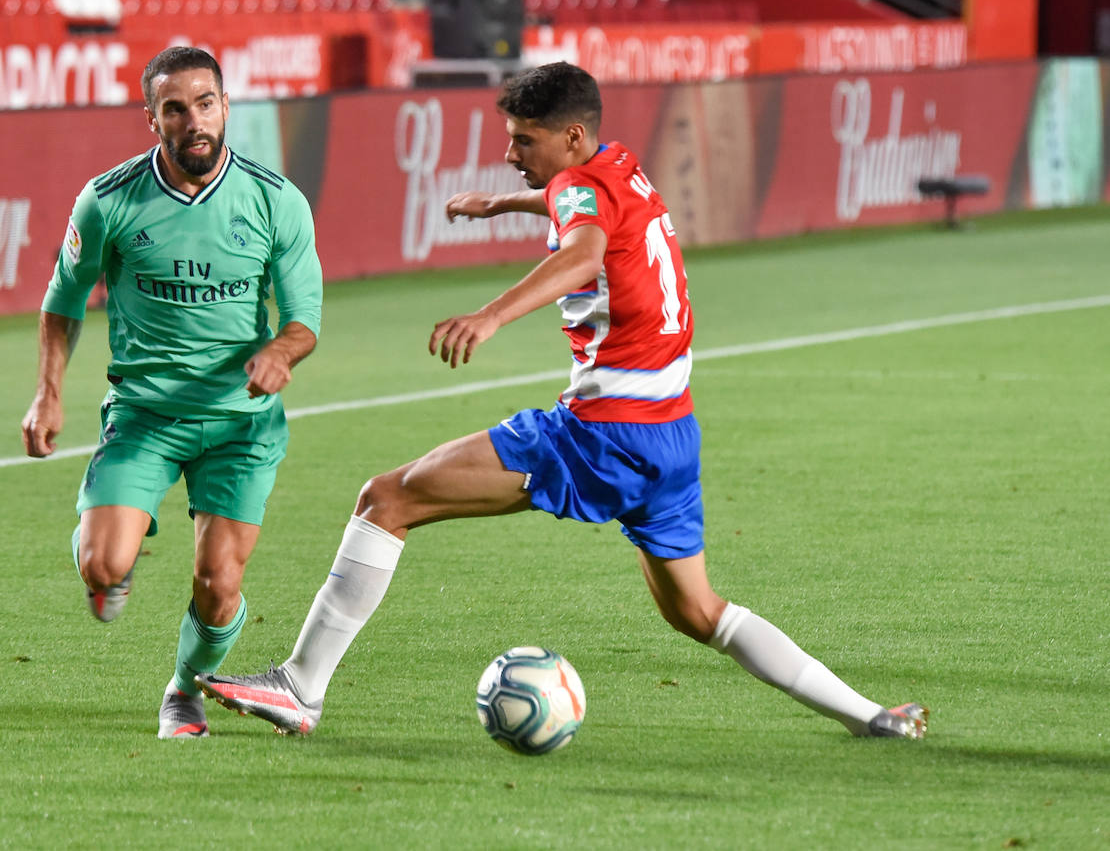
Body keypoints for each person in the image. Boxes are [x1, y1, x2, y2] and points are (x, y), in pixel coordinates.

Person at [197, 62, 927, 740]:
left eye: (525, 140)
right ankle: (870, 716)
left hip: (603, 435)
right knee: (700, 611)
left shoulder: (581, 192)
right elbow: (581, 207)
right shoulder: (621, 166)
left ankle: (300, 687)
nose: (510, 152)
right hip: (671, 435)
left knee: (385, 499)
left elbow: (582, 250)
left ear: (572, 136)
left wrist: (489, 316)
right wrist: (504, 203)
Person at [20, 46, 322, 740]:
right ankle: (110, 565)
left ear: (225, 106)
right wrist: (47, 393)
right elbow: (63, 300)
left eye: (206, 103)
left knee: (219, 586)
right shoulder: (108, 200)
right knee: (102, 564)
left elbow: (304, 319)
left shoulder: (275, 201)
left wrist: (280, 351)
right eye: (175, 108)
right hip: (146, 416)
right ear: (151, 119)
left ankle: (184, 691)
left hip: (241, 424)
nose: (194, 121)